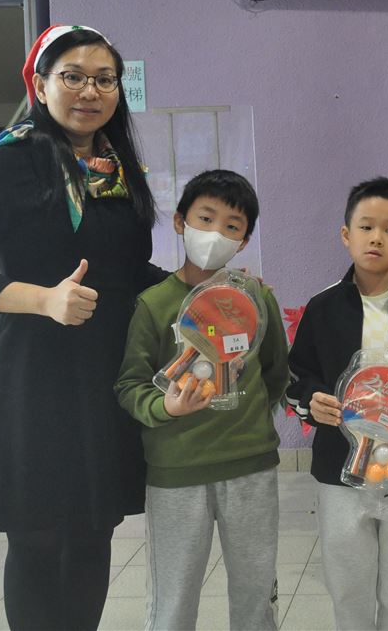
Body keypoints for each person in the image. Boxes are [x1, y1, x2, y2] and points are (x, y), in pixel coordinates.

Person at [0, 24, 166, 630]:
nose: (90, 91)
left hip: (103, 369)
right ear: (40, 86)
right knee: (37, 534)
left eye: (104, 79)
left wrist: (199, 289)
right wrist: (44, 300)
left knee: (94, 529)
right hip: (29, 372)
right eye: (73, 77)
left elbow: (128, 270)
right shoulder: (6, 163)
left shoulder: (117, 168)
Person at [114, 170, 289, 630]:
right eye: (205, 219)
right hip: (176, 472)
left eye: (231, 226)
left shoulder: (256, 298)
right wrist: (166, 407)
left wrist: (248, 420)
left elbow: (276, 373)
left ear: (244, 241)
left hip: (250, 468)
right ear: (180, 222)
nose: (215, 234)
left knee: (256, 597)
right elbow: (130, 385)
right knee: (172, 600)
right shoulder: (154, 304)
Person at [286, 177, 388, 631]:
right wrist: (311, 400)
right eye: (366, 227)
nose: (377, 238)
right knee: (348, 588)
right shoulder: (322, 309)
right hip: (340, 471)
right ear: (346, 234)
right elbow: (298, 375)